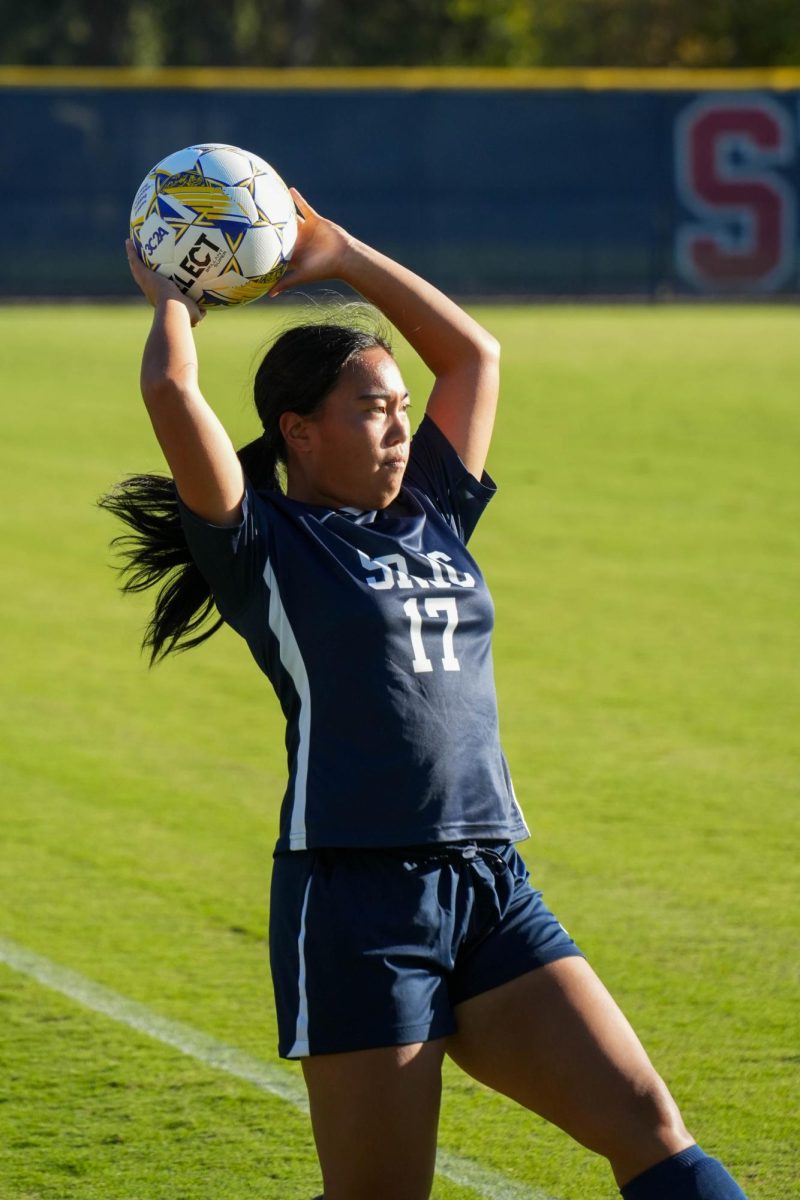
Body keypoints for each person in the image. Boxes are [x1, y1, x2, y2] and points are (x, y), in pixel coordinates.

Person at [102, 189, 750, 1200]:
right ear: (298, 431)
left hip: (490, 884)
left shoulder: (429, 513)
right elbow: (173, 399)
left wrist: (343, 253)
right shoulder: (264, 544)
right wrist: (173, 297)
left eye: (403, 410)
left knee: (651, 1130)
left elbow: (473, 357)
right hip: (357, 905)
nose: (401, 431)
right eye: (372, 411)